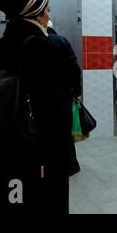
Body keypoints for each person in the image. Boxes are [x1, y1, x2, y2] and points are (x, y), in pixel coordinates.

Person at [0, 0, 70, 214]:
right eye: (47, 10)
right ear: (35, 12)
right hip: (35, 137)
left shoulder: (4, 42)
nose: (49, 16)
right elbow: (47, 100)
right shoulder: (38, 43)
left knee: (16, 195)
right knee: (44, 196)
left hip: (7, 133)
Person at [46, 22, 82, 177]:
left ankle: (52, 164)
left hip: (43, 98)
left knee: (47, 132)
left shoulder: (34, 41)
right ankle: (72, 165)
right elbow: (75, 68)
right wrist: (77, 91)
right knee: (65, 133)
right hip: (64, 97)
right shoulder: (61, 41)